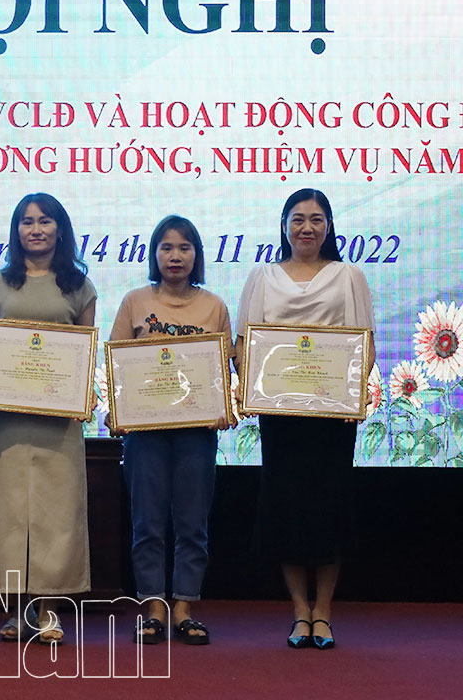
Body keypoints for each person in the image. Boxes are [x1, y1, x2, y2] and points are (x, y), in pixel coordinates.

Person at [235, 188, 375, 651]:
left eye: (316, 219)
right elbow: (243, 346)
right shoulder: (261, 277)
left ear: (329, 226)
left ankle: (324, 613)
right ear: (284, 225)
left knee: (329, 510)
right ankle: (300, 611)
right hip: (281, 415)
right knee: (286, 510)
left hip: (331, 417)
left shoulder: (349, 276)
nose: (307, 228)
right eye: (297, 219)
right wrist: (256, 389)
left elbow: (366, 345)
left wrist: (346, 394)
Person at [0, 192, 96, 644]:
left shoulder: (79, 287)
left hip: (58, 421)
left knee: (56, 515)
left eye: (45, 221)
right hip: (7, 421)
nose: (36, 229)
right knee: (8, 516)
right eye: (26, 222)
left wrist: (80, 392)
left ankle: (48, 610)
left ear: (59, 229)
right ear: (16, 231)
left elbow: (84, 352)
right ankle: (16, 611)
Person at [109, 215, 233, 646]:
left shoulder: (214, 306)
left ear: (196, 255)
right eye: (166, 247)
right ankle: (153, 608)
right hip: (145, 432)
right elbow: (118, 364)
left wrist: (224, 404)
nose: (175, 256)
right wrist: (117, 409)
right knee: (147, 523)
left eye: (184, 247)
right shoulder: (134, 301)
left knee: (192, 524)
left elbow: (224, 370)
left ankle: (184, 608)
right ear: (154, 254)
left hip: (196, 431)